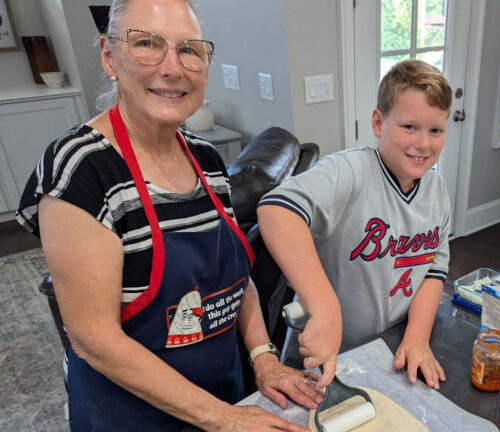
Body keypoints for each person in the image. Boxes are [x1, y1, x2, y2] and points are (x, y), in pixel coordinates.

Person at [15, 0, 322, 430]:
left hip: (226, 394)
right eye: (147, 44)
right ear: (109, 56)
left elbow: (236, 282)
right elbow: (94, 340)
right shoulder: (81, 169)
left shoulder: (207, 159)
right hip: (134, 417)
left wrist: (263, 358)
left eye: (189, 50)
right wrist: (222, 419)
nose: (172, 68)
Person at [257, 59, 452, 390]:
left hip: (391, 350)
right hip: (323, 360)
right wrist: (325, 306)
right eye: (409, 127)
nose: (423, 144)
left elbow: (432, 271)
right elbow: (275, 210)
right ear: (378, 122)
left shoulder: (437, 191)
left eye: (436, 130)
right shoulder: (349, 172)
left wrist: (417, 337)